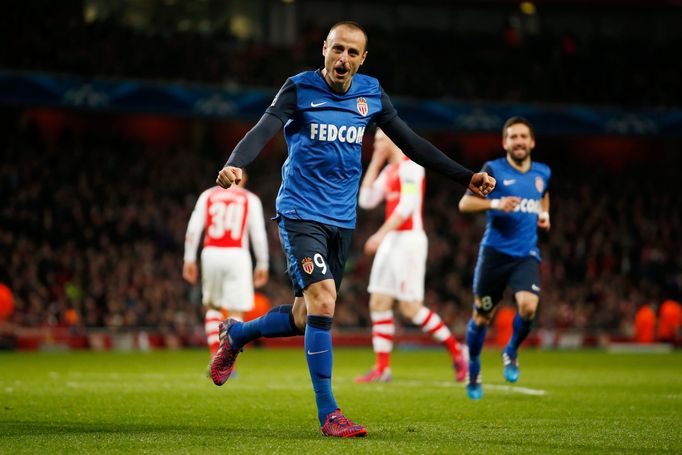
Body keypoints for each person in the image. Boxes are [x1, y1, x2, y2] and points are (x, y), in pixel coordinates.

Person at [210, 21, 495, 438]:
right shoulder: (299, 88)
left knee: (301, 316)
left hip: (341, 221)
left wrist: (464, 176)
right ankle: (330, 413)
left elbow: (412, 144)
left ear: (363, 59)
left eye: (352, 53)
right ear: (324, 49)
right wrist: (237, 161)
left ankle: (236, 334)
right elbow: (265, 128)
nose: (343, 58)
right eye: (337, 49)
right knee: (324, 301)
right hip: (300, 212)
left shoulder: (371, 93)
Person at [353, 128, 468, 383]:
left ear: (394, 140)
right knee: (379, 302)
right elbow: (367, 200)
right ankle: (382, 368)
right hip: (392, 241)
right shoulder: (389, 170)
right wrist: (375, 161)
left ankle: (458, 352)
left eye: (382, 141)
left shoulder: (412, 167)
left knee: (409, 307)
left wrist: (381, 233)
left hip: (409, 241)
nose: (377, 145)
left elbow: (406, 207)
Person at [458, 116, 551, 400]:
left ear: (532, 142)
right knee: (482, 317)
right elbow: (465, 203)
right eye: (513, 137)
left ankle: (511, 350)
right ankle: (474, 366)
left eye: (523, 136)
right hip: (495, 255)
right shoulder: (493, 170)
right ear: (505, 142)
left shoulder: (542, 172)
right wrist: (496, 202)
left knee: (528, 307)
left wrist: (544, 213)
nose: (519, 141)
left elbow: (543, 195)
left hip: (525, 255)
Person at [182, 171, 269, 357]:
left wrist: (189, 258)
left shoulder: (208, 195)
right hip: (237, 254)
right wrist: (262, 263)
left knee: (213, 307)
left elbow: (193, 229)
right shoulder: (249, 199)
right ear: (243, 178)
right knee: (235, 310)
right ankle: (227, 360)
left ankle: (216, 353)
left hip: (211, 252)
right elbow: (258, 234)